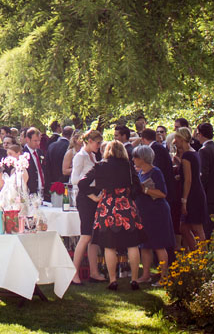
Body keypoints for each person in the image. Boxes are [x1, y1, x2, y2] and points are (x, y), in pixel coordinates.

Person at [80, 141, 144, 291]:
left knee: (109, 245)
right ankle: (134, 280)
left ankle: (113, 280)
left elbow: (82, 183)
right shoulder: (128, 166)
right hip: (126, 205)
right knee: (132, 244)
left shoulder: (100, 166)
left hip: (107, 207)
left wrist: (95, 195)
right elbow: (138, 187)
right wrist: (129, 197)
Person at [131, 145, 173, 285]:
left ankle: (164, 276)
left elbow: (163, 193)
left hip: (157, 212)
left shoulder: (155, 172)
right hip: (144, 213)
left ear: (143, 158)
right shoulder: (140, 173)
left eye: (135, 157)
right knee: (145, 245)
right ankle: (146, 274)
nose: (133, 159)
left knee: (158, 244)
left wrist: (145, 189)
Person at [70, 129, 106, 285]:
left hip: (95, 196)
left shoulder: (92, 156)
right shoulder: (80, 156)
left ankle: (94, 272)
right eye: (98, 142)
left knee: (93, 237)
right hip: (85, 197)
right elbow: (74, 179)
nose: (99, 145)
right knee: (85, 236)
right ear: (89, 141)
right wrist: (91, 195)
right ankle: (73, 273)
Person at [173, 127, 207, 249]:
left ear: (182, 139)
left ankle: (203, 257)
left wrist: (184, 201)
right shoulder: (194, 152)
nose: (174, 141)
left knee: (197, 228)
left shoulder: (187, 156)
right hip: (197, 191)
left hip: (193, 195)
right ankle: (195, 254)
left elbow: (189, 180)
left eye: (176, 138)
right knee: (184, 227)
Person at [46, 125, 73, 192]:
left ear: (62, 134)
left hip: (52, 182)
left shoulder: (51, 145)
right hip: (65, 183)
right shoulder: (70, 148)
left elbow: (47, 164)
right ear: (71, 135)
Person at [23, 127, 48, 196]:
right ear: (28, 139)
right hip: (30, 192)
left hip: (42, 191)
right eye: (35, 141)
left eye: (39, 140)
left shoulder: (40, 152)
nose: (38, 143)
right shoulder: (23, 154)